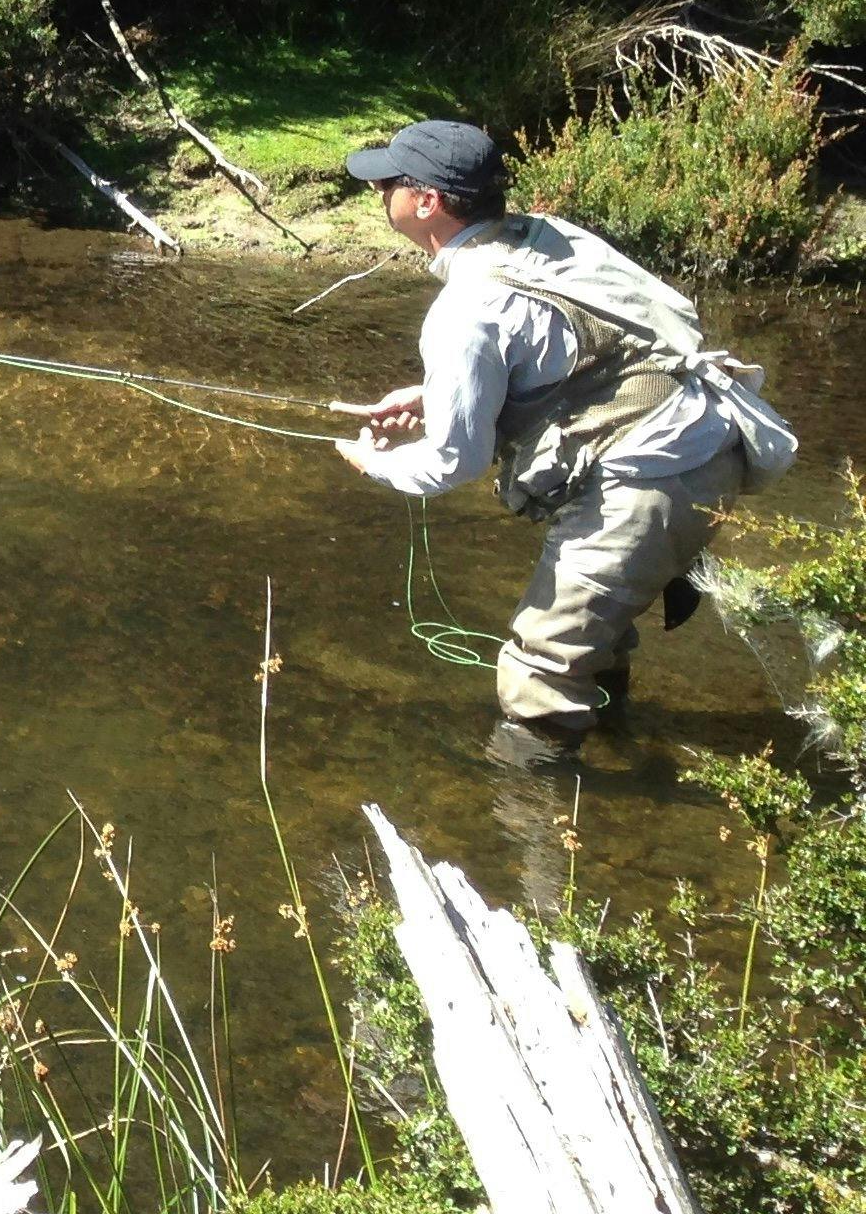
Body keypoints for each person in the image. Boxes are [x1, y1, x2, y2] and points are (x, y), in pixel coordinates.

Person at [330, 119, 796, 754]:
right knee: (593, 642)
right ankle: (609, 749)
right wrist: (433, 396)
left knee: (537, 675)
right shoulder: (549, 236)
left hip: (649, 479)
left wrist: (373, 463)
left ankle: (544, 832)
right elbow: (636, 333)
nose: (378, 192)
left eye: (387, 182)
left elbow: (452, 463)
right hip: (711, 443)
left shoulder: (465, 310)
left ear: (427, 201)